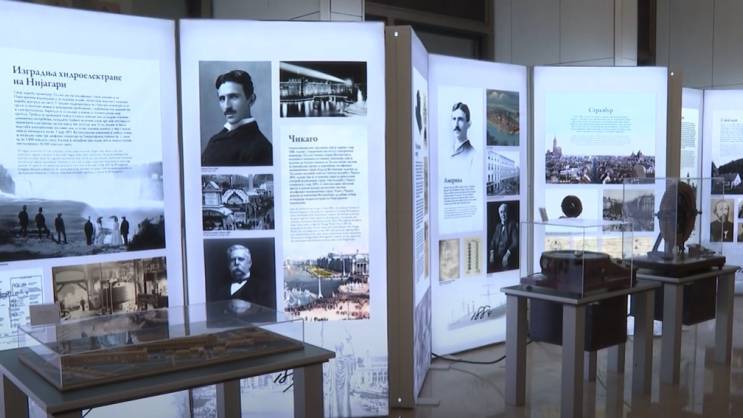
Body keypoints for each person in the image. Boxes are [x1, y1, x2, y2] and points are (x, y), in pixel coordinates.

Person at [201, 70, 273, 166]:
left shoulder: (261, 148)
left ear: (251, 100)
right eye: (222, 99)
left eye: (233, 97)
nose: (227, 106)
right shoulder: (215, 139)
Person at [211, 244, 274, 308]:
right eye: (232, 260)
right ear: (228, 265)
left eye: (241, 259)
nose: (236, 263)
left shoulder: (262, 288)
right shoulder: (221, 291)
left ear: (249, 263)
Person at [489, 203, 519, 272]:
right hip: (496, 257)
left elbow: (515, 242)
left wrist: (507, 254)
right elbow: (493, 241)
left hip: (507, 257)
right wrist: (491, 253)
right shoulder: (498, 226)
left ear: (507, 212)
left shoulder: (512, 224)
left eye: (505, 211)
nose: (503, 214)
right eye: (501, 212)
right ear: (499, 214)